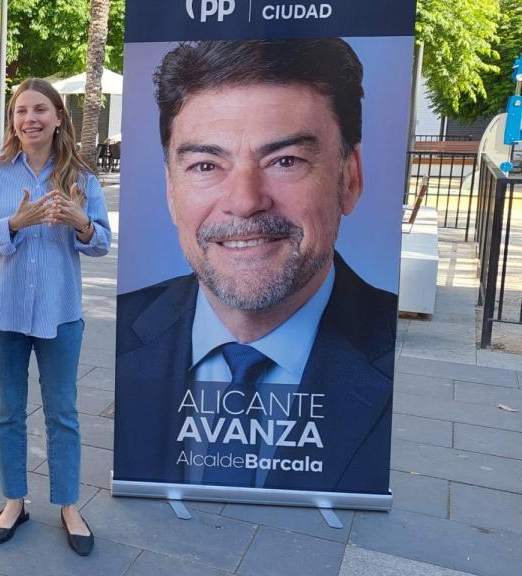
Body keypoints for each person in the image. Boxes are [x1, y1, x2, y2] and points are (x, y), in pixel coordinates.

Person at [114, 39, 396, 494]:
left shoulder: (388, 346)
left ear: (349, 178)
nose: (244, 202)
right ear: (171, 190)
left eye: (285, 161)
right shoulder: (126, 329)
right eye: (206, 165)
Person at [0, 78, 111, 556]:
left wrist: (81, 223)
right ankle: (13, 501)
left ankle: (68, 505)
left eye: (40, 109)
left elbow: (102, 242)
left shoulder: (82, 177)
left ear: (58, 117)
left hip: (60, 314)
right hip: (2, 312)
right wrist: (13, 224)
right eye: (21, 110)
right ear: (12, 119)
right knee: (8, 411)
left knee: (62, 413)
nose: (30, 118)